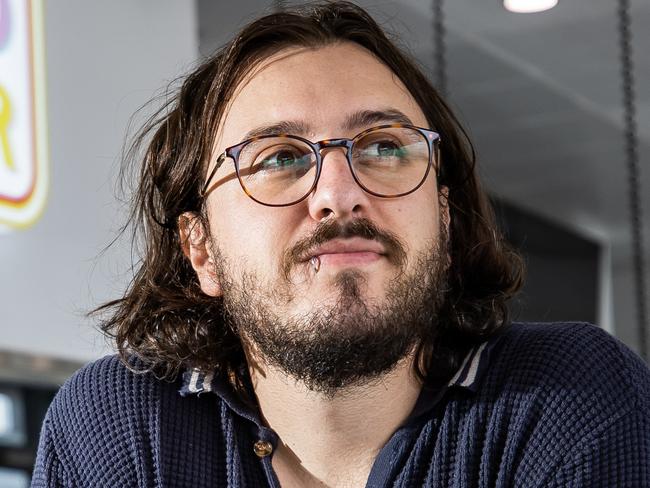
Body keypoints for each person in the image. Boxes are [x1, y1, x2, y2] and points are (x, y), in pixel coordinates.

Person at [32, 2, 650, 487]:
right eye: (277, 158)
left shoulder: (573, 396)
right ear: (202, 250)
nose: (339, 193)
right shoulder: (121, 428)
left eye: (384, 147)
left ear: (445, 214)